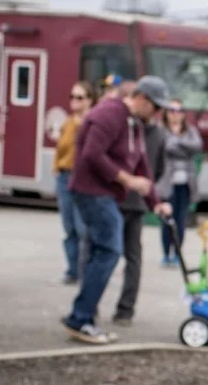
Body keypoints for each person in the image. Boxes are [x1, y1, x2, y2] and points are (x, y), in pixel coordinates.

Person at [63, 75, 173, 345]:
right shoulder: (110, 113)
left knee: (105, 251)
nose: (159, 114)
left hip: (105, 194)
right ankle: (81, 317)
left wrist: (155, 203)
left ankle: (82, 315)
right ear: (143, 99)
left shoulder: (134, 122)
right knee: (109, 251)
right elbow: (92, 154)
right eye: (157, 107)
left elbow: (142, 165)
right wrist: (127, 180)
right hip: (92, 191)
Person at [112, 106, 166, 325]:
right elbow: (159, 170)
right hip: (140, 200)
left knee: (100, 252)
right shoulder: (160, 133)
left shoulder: (127, 128)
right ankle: (126, 310)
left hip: (116, 197)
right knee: (133, 257)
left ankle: (91, 306)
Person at [53, 81, 95, 284]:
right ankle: (72, 271)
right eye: (72, 97)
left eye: (79, 97)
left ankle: (85, 270)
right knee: (68, 226)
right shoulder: (68, 122)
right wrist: (56, 168)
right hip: (64, 176)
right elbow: (61, 149)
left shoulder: (93, 122)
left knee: (83, 228)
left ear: (90, 101)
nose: (74, 101)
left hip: (83, 180)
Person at [155, 101, 202, 267]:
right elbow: (164, 147)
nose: (175, 113)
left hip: (185, 185)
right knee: (166, 220)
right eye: (172, 110)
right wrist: (183, 148)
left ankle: (177, 253)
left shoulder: (191, 131)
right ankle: (166, 253)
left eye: (179, 110)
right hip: (167, 184)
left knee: (181, 221)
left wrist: (177, 143)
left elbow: (197, 146)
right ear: (166, 113)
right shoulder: (160, 130)